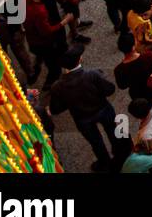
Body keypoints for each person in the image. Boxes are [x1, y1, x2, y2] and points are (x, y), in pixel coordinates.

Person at [47, 44, 128, 172]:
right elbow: (110, 90)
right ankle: (120, 156)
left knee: (96, 142)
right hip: (103, 110)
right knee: (113, 133)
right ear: (79, 60)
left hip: (82, 118)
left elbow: (56, 109)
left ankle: (105, 163)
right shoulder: (92, 75)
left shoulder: (57, 86)